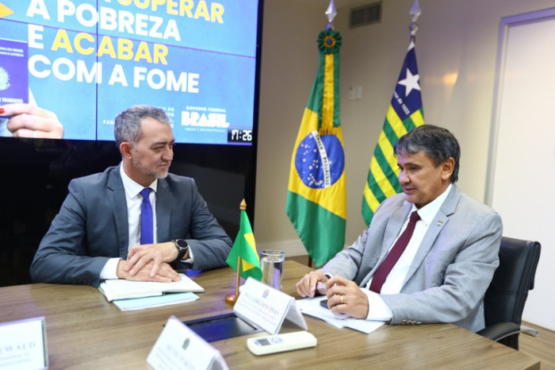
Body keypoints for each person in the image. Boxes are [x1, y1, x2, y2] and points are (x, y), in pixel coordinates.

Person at [296, 124, 502, 332]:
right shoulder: (392, 205)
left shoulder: (480, 222)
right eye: (401, 168)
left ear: (446, 168)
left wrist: (372, 305)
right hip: (359, 320)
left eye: (414, 168)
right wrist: (327, 277)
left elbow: (457, 298)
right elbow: (357, 254)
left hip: (422, 331)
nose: (403, 179)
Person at [31, 105, 232, 286]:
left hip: (171, 293)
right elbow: (45, 262)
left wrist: (176, 248)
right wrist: (121, 269)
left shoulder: (184, 189)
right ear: (127, 150)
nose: (169, 156)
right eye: (159, 147)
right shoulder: (86, 191)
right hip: (106, 307)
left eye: (171, 146)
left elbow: (225, 248)